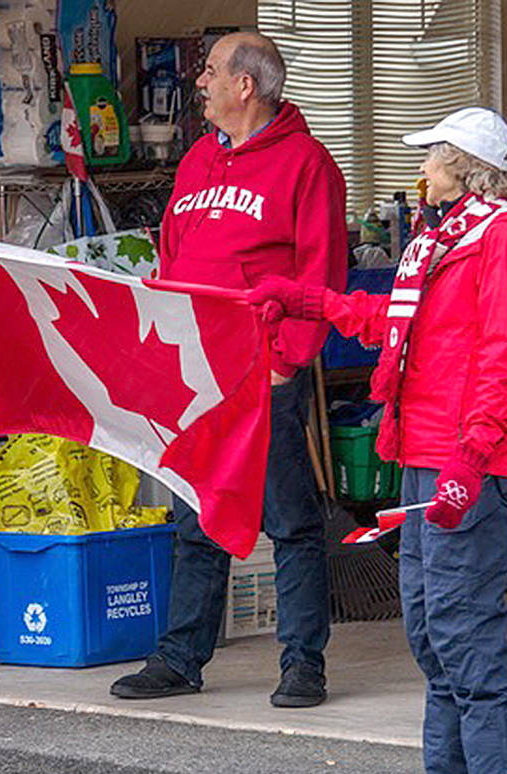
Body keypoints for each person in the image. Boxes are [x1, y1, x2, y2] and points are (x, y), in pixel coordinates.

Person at [248, 107, 507, 774]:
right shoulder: (443, 243)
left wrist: (470, 462)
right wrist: (306, 301)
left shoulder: (499, 243)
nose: (421, 171)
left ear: (463, 168)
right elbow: (393, 323)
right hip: (424, 459)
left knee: (464, 642)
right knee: (436, 642)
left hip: (466, 466)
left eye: (430, 159)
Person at [110, 32, 347, 707]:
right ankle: (181, 658)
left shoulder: (307, 165)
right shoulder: (194, 165)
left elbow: (323, 273)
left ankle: (304, 664)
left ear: (247, 85)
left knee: (290, 519)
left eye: (211, 72)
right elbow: (171, 261)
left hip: (263, 372)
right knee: (196, 518)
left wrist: (285, 362)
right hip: (197, 374)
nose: (200, 83)